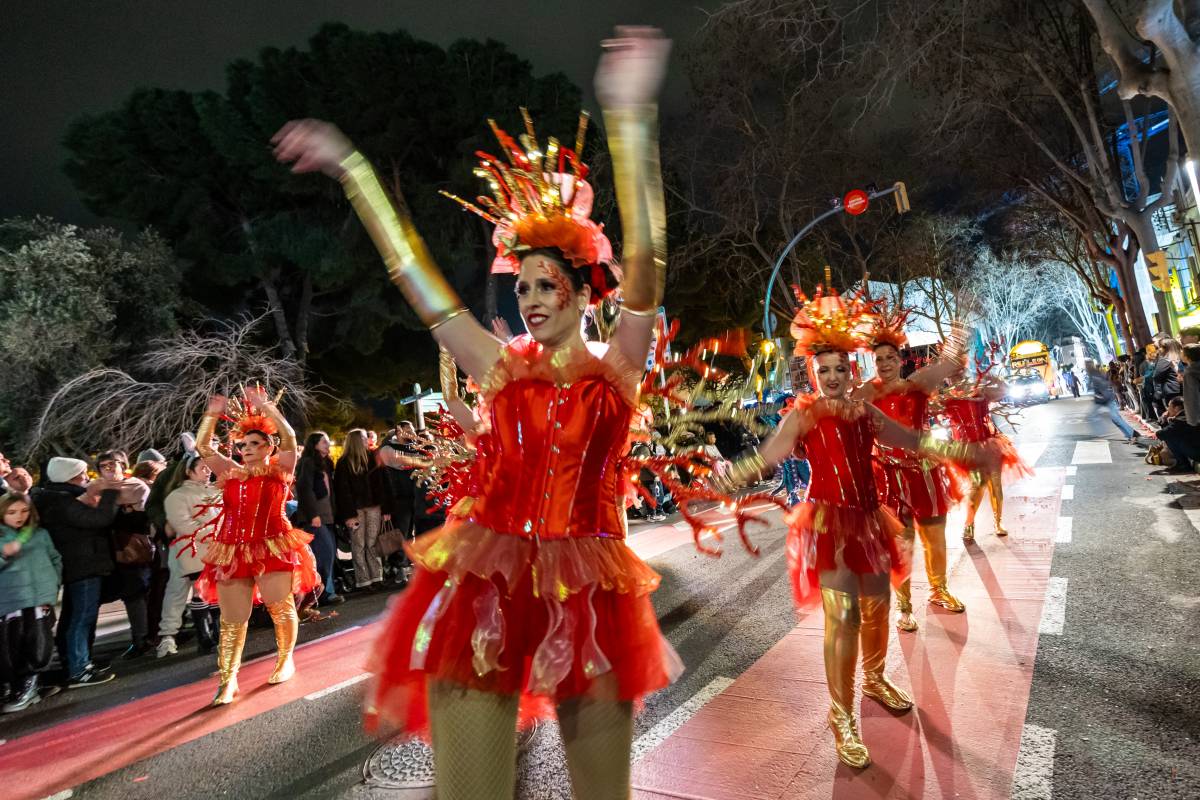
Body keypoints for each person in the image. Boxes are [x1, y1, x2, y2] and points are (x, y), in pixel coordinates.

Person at [272, 26, 678, 798]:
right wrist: (354, 169)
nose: (528, 299)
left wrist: (629, 120)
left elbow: (649, 266)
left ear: (585, 291)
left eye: (546, 283)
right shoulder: (496, 369)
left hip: (590, 593)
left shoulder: (619, 369)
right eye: (519, 285)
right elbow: (413, 279)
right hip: (482, 587)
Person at [712, 281, 994, 769]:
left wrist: (965, 451)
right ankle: (841, 715)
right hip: (828, 524)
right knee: (842, 616)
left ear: (852, 369)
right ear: (813, 372)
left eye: (842, 367)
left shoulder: (865, 412)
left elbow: (914, 440)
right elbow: (768, 457)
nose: (835, 375)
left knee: (877, 608)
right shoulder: (802, 416)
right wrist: (726, 479)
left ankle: (875, 679)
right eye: (825, 369)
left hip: (869, 520)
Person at [192, 387, 321, 705]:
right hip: (232, 549)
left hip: (272, 545)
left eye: (254, 444)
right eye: (242, 445)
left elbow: (290, 437)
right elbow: (202, 446)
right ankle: (228, 680)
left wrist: (267, 408)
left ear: (268, 446)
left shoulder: (280, 471)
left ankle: (285, 659)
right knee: (231, 619)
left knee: (280, 608)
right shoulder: (231, 473)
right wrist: (211, 414)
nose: (246, 449)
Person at [855, 308, 967, 632]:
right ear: (873, 363)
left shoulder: (917, 384)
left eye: (890, 357)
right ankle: (904, 607)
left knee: (935, 537)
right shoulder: (865, 393)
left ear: (900, 358)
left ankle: (938, 590)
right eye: (879, 359)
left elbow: (947, 364)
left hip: (925, 474)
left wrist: (956, 338)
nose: (885, 363)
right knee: (901, 545)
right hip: (888, 479)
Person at [32, 457, 120, 687]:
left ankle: (80, 661)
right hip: (82, 564)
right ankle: (77, 668)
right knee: (81, 617)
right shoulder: (62, 501)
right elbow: (99, 519)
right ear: (70, 476)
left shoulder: (57, 498)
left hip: (81, 563)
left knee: (77, 615)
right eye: (82, 474)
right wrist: (110, 492)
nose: (86, 478)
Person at [942, 373, 1032, 539]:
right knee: (977, 487)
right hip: (967, 450)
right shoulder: (946, 400)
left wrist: (995, 379)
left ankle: (998, 522)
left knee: (995, 485)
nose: (956, 380)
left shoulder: (980, 393)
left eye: (959, 375)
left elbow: (1004, 391)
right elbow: (926, 410)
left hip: (990, 446)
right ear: (947, 380)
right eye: (952, 377)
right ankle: (969, 524)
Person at [0, 492, 62, 712]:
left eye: (24, 511)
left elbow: (54, 559)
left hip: (38, 599)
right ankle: (12, 684)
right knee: (11, 644)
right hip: (10, 601)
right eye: (12, 512)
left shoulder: (40, 534)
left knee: (37, 641)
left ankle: (30, 682)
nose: (19, 516)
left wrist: (52, 587)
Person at [157, 453, 220, 657]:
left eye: (209, 467)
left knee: (216, 593)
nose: (207, 471)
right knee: (199, 591)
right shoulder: (177, 496)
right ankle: (204, 636)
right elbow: (184, 524)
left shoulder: (214, 491)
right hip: (193, 551)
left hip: (216, 550)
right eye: (202, 467)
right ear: (188, 471)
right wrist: (211, 535)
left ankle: (218, 635)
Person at [96, 451, 155, 660]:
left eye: (114, 464)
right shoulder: (94, 489)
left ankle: (142, 638)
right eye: (104, 465)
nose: (110, 469)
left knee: (136, 593)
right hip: (104, 550)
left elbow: (145, 519)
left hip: (132, 548)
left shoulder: (136, 486)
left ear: (124, 465)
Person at [295, 431, 343, 605]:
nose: (327, 444)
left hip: (328, 515)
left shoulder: (327, 463)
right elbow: (304, 489)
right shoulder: (308, 463)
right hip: (315, 516)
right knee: (324, 554)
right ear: (314, 444)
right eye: (324, 441)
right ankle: (321, 593)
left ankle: (326, 592)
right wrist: (312, 514)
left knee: (329, 555)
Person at [334, 429, 384, 590]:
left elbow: (382, 484)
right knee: (358, 544)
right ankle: (363, 581)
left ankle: (377, 577)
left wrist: (386, 506)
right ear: (356, 440)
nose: (367, 439)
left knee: (372, 542)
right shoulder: (344, 462)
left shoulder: (372, 457)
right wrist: (349, 515)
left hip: (373, 506)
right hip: (355, 510)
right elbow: (342, 491)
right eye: (363, 437)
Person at [1156, 345, 1200, 470]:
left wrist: (1192, 419)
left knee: (1173, 437)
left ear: (1187, 356)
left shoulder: (1191, 372)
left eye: (1182, 352)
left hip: (1196, 418)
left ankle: (1183, 464)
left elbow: (1192, 397)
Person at [1085, 359, 1139, 445]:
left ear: (1089, 366)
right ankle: (1130, 434)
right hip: (1103, 399)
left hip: (1107, 399)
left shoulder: (1095, 374)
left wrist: (1099, 395)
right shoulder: (1093, 374)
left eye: (1087, 366)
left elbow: (1103, 386)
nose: (1086, 368)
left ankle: (1132, 434)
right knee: (1111, 418)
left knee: (1115, 418)